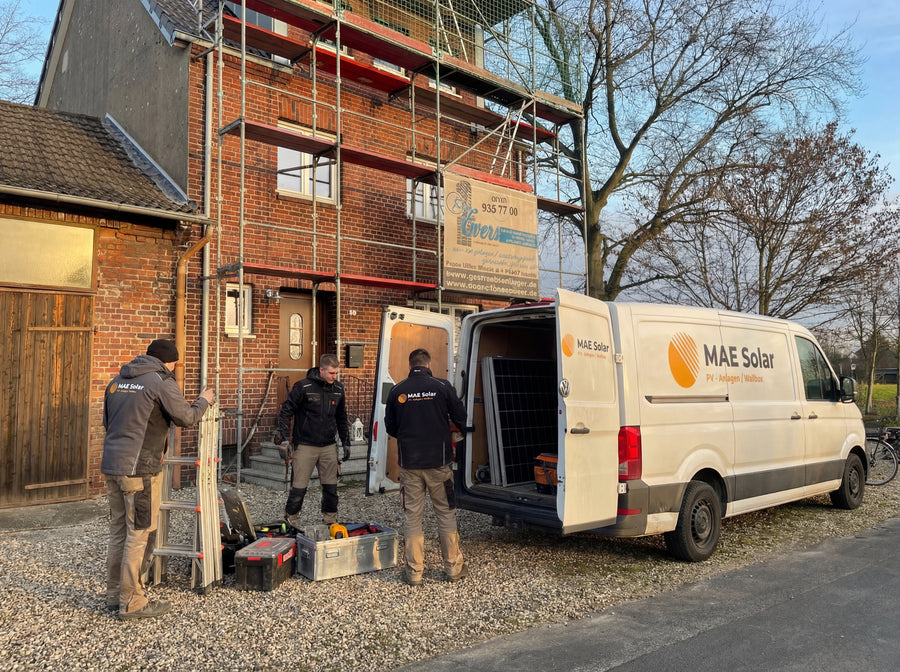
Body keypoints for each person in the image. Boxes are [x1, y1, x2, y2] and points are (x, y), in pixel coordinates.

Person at [101, 338, 214, 620]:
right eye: (175, 364)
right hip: (140, 470)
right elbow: (186, 417)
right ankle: (133, 602)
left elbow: (107, 423)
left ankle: (114, 596)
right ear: (170, 362)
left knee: (119, 531)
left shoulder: (117, 381)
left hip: (112, 466)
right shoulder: (160, 381)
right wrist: (204, 400)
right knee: (139, 534)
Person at [384, 348, 468, 586]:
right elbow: (461, 417)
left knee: (412, 517)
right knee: (445, 513)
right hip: (439, 463)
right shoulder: (442, 387)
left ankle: (414, 573)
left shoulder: (397, 391)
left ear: (410, 366)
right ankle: (453, 568)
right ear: (429, 365)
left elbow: (391, 427)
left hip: (410, 465)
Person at [275, 353, 351, 528]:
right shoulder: (303, 386)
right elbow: (286, 411)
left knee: (331, 488)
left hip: (329, 445)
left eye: (336, 373)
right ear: (321, 370)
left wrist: (346, 442)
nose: (334, 376)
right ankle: (292, 521)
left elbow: (341, 417)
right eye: (331, 373)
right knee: (298, 488)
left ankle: (330, 521)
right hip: (305, 445)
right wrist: (284, 439)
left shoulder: (338, 389)